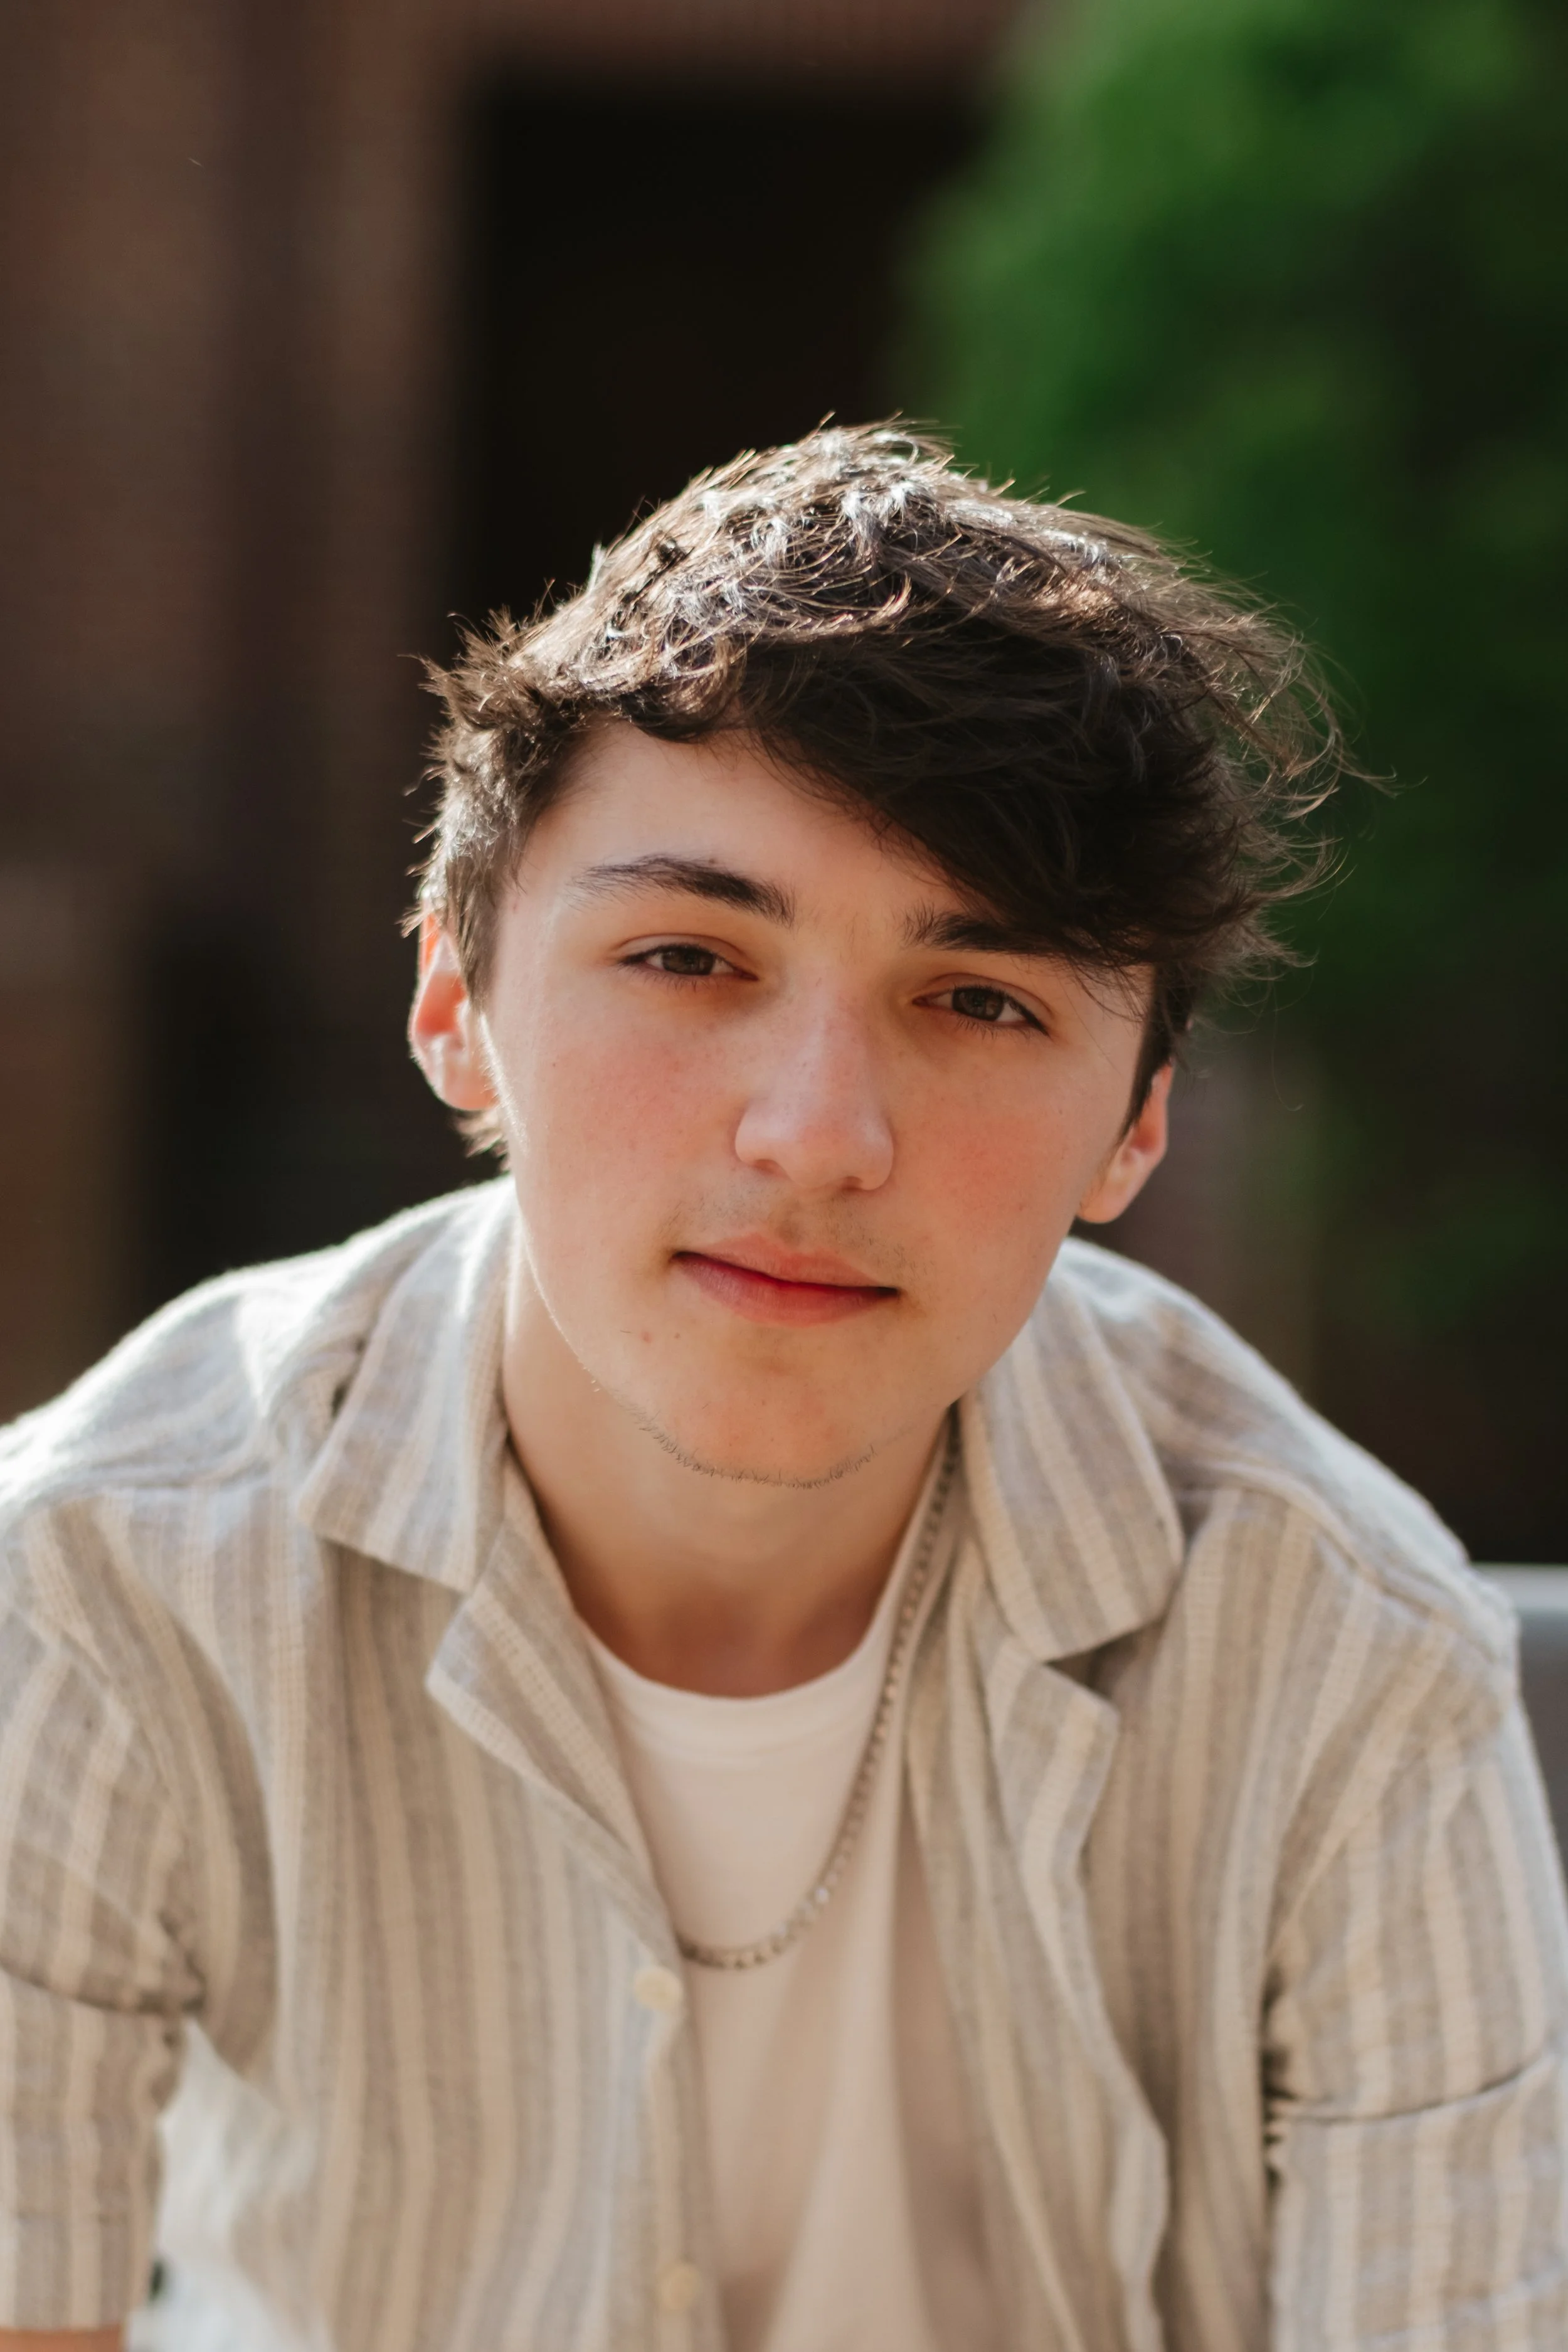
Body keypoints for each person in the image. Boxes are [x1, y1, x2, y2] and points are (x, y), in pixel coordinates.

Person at [1, 426, 1563, 2352]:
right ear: (452, 1002)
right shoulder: (91, 1575)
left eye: (979, 1001)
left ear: (1137, 1120)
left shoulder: (1351, 1652)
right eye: (686, 954)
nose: (818, 1134)